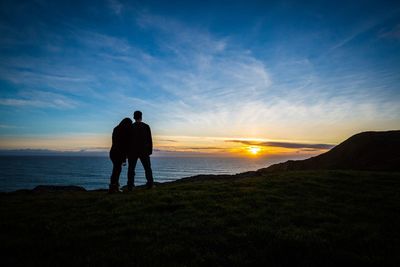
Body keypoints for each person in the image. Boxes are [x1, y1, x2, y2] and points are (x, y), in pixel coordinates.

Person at [127, 110, 154, 190]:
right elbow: (150, 140)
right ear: (141, 117)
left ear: (134, 117)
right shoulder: (146, 126)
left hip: (132, 151)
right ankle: (150, 184)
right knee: (147, 168)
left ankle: (130, 186)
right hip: (144, 151)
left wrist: (127, 152)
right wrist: (150, 151)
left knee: (131, 169)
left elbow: (127, 141)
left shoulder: (130, 127)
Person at [109, 117, 132, 193]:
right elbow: (122, 145)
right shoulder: (124, 131)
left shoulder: (116, 129)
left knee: (116, 170)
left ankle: (114, 187)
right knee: (116, 170)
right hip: (118, 153)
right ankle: (113, 188)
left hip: (113, 152)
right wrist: (124, 158)